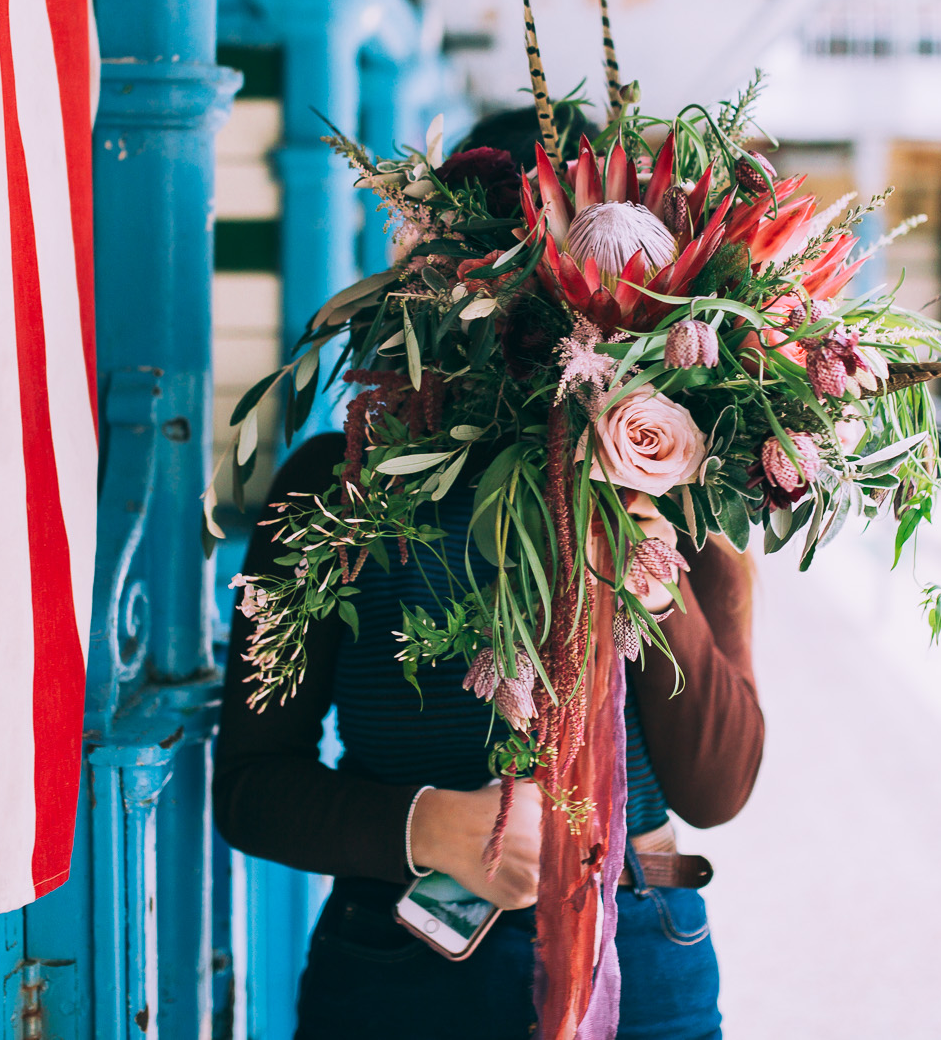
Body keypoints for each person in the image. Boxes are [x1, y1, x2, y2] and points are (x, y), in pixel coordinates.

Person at [214, 110, 764, 1040]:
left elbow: (718, 788)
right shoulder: (338, 482)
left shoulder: (682, 473)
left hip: (641, 947)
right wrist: (428, 826)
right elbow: (251, 785)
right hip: (402, 956)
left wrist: (655, 576)